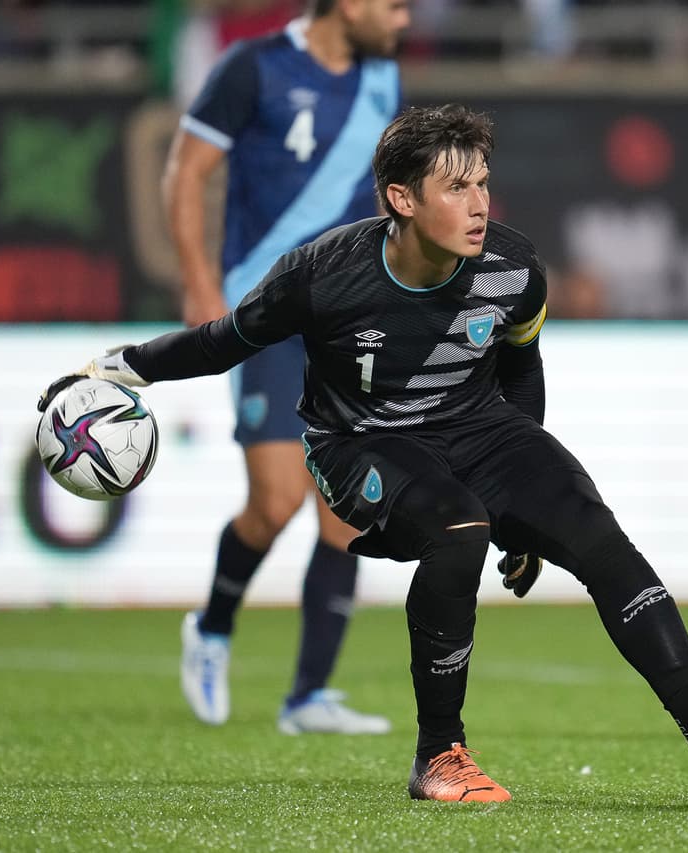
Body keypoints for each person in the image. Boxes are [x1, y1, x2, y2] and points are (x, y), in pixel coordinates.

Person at [40, 104, 688, 803]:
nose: (480, 205)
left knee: (593, 533)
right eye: (457, 187)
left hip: (481, 430)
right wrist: (117, 367)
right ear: (402, 200)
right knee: (458, 526)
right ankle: (439, 754)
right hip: (360, 445)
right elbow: (222, 342)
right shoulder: (323, 276)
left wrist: (527, 515)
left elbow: (521, 367)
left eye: (484, 183)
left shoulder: (514, 269)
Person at [160, 0, 409, 734]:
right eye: (393, 5)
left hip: (350, 318)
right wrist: (200, 284)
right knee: (275, 500)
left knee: (346, 513)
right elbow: (186, 171)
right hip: (265, 310)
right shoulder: (253, 68)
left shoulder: (381, 80)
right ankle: (210, 629)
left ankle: (308, 697)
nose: (401, 20)